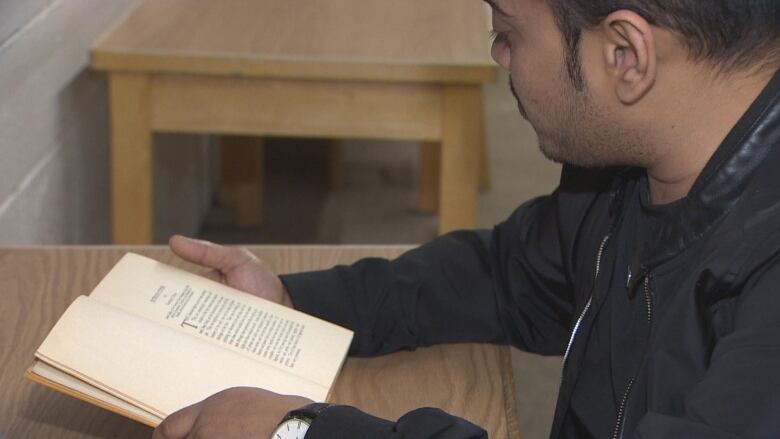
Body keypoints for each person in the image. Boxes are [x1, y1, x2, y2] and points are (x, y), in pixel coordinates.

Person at [152, 0, 780, 438]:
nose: (498, 54)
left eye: (509, 31)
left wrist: (301, 431)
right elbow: (509, 274)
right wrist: (294, 300)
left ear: (625, 54)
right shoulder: (634, 168)